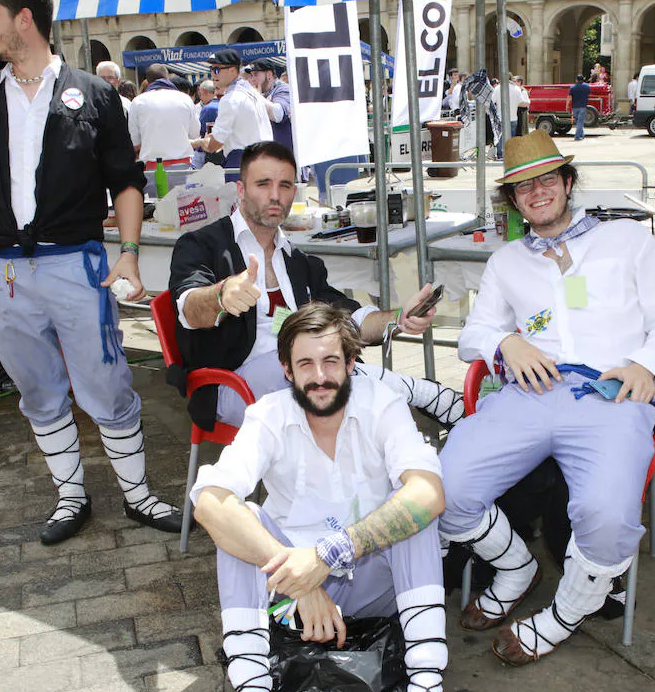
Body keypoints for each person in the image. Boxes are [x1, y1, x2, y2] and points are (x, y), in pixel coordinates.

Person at [0, 0, 183, 545]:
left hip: (75, 266)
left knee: (105, 384)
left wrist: (129, 253)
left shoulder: (95, 94)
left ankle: (138, 495)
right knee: (36, 389)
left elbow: (127, 182)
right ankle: (70, 495)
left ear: (24, 19)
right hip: (3, 271)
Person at [192, 301, 475, 692]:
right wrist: (298, 576)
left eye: (330, 361)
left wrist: (330, 554)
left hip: (372, 581)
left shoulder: (381, 403)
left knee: (414, 513)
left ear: (350, 362)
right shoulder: (269, 415)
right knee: (235, 519)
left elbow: (429, 492)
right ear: (286, 368)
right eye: (305, 364)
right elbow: (208, 501)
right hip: (293, 597)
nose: (319, 377)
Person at [437, 131, 655, 665]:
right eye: (522, 187)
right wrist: (506, 340)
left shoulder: (625, 240)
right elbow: (473, 335)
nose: (536, 192)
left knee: (604, 513)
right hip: (532, 394)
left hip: (612, 394)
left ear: (568, 183)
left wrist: (648, 364)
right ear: (512, 201)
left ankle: (564, 615)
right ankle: (515, 567)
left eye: (546, 179)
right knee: (443, 490)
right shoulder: (507, 262)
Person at [168, 140, 463, 430]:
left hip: (302, 378)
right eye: (263, 184)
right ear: (241, 190)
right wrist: (220, 296)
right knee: (320, 366)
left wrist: (399, 318)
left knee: (339, 387)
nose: (275, 195)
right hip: (230, 385)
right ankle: (425, 395)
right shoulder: (201, 245)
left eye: (284, 186)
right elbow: (188, 308)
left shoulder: (298, 262)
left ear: (294, 193)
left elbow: (351, 319)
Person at [189, 48, 270, 181]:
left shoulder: (230, 98)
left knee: (238, 201)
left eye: (217, 70)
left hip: (242, 161)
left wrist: (201, 142)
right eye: (211, 69)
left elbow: (213, 145)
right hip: (263, 158)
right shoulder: (251, 92)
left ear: (232, 70)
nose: (213, 74)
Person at [127, 63, 199, 170]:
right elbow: (194, 134)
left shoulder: (138, 102)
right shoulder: (185, 99)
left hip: (152, 167)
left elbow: (134, 141)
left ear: (147, 81)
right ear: (167, 78)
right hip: (183, 166)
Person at [257, 58, 293, 155]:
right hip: (267, 155)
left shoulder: (283, 89)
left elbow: (278, 114)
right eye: (251, 75)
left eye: (255, 74)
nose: (252, 79)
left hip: (284, 156)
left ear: (269, 75)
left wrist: (255, 95)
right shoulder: (262, 94)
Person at [192, 79, 220, 169]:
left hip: (207, 150)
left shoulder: (208, 108)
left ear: (204, 91)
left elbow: (201, 131)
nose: (200, 97)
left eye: (200, 94)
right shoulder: (225, 104)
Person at [565, 74, 591, 141]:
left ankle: (581, 134)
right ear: (583, 80)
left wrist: (567, 106)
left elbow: (569, 97)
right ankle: (577, 136)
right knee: (580, 122)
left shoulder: (573, 87)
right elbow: (589, 94)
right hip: (583, 106)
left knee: (578, 122)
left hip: (575, 107)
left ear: (576, 80)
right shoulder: (587, 86)